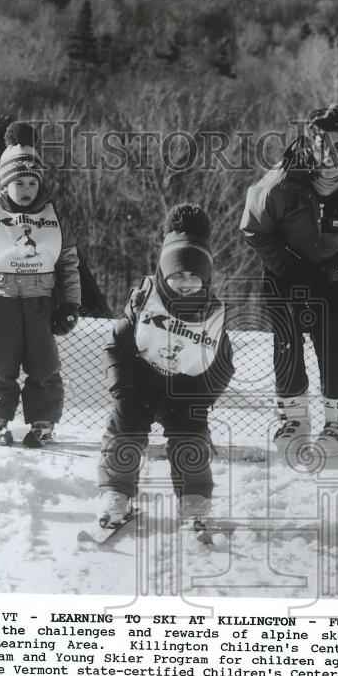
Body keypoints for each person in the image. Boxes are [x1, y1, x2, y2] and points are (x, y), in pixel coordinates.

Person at [239, 104, 338, 456]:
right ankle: (294, 419)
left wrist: (329, 273)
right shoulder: (281, 182)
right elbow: (253, 227)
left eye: (337, 145)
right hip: (284, 266)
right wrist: (289, 269)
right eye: (319, 144)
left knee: (329, 332)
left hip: (333, 268)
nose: (328, 154)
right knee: (287, 331)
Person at [98, 203, 234, 533]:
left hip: (185, 391)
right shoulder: (144, 302)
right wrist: (123, 386)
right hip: (140, 384)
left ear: (206, 278)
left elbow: (223, 363)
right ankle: (117, 494)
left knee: (191, 440)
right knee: (124, 432)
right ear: (163, 273)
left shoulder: (212, 316)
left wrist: (202, 400)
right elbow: (119, 341)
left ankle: (194, 501)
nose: (185, 283)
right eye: (176, 276)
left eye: (193, 276)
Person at [0, 121, 82, 447]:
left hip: (41, 302)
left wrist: (70, 303)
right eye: (19, 183)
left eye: (31, 182)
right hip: (3, 301)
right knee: (0, 363)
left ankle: (43, 422)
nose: (26, 189)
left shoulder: (54, 217)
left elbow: (68, 262)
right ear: (6, 183)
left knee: (44, 365)